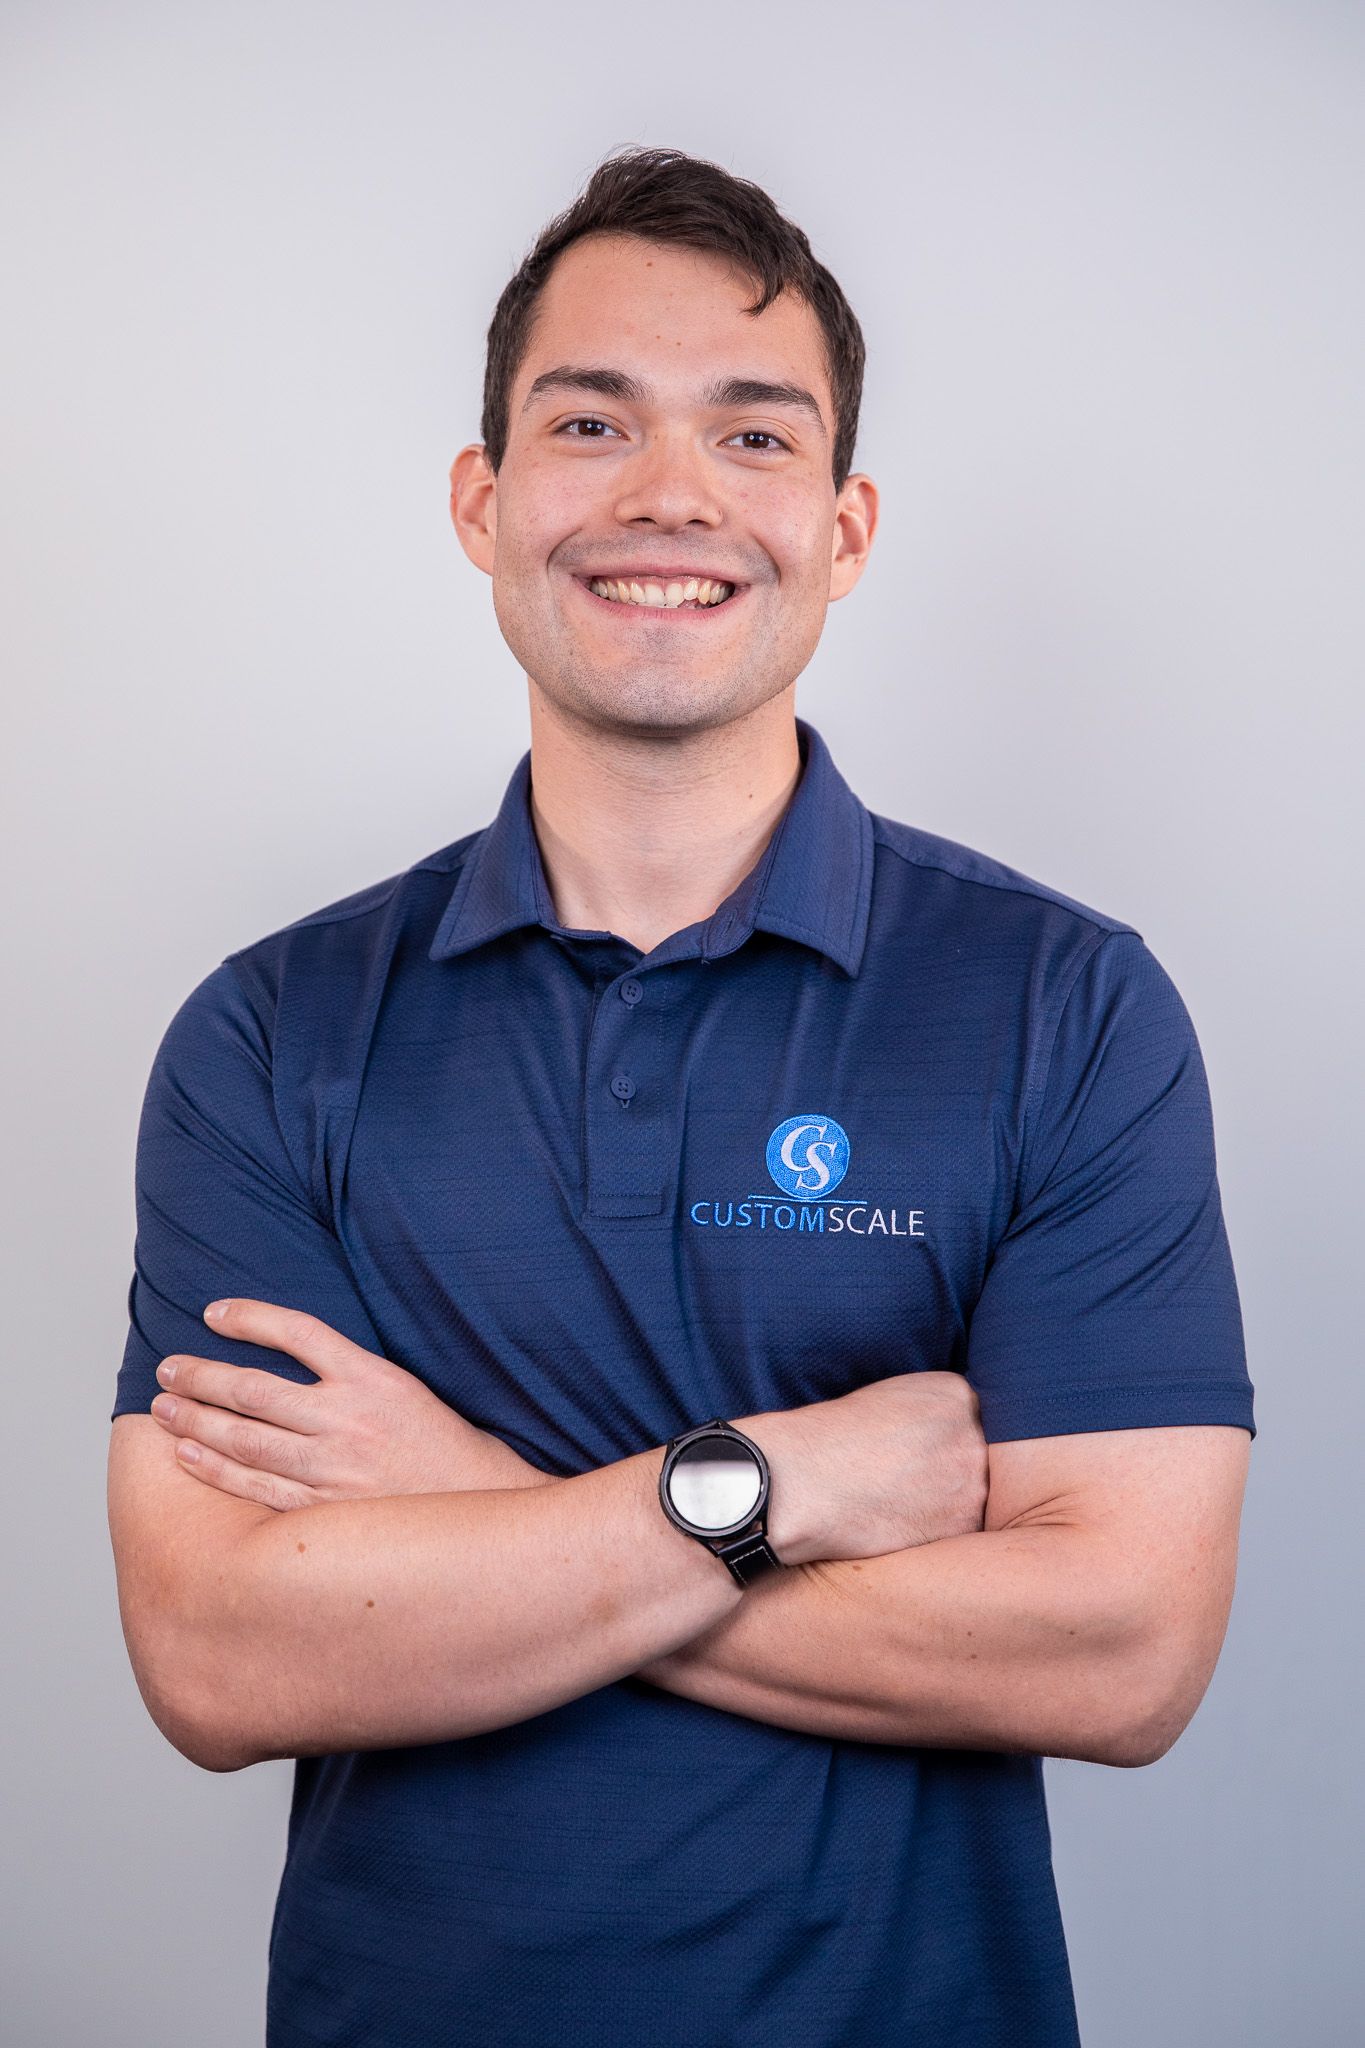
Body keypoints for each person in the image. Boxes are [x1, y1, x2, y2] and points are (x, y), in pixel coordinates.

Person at [107, 146, 1255, 2047]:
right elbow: (223, 1651)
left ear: (844, 522)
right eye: (589, 420)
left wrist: (478, 1508)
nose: (668, 496)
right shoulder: (267, 1035)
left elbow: (1122, 1655)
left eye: (751, 436)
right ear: (482, 503)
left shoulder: (1065, 1008)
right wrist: (779, 1485)